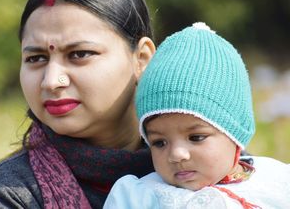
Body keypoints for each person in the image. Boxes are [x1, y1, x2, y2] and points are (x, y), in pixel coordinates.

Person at [0, 0, 157, 208]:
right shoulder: (10, 196)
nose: (51, 81)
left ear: (141, 59)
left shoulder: (205, 166)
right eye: (36, 59)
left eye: (79, 54)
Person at [104, 23, 290, 208]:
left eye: (196, 137)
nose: (177, 155)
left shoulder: (277, 182)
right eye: (159, 142)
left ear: (235, 132)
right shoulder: (140, 197)